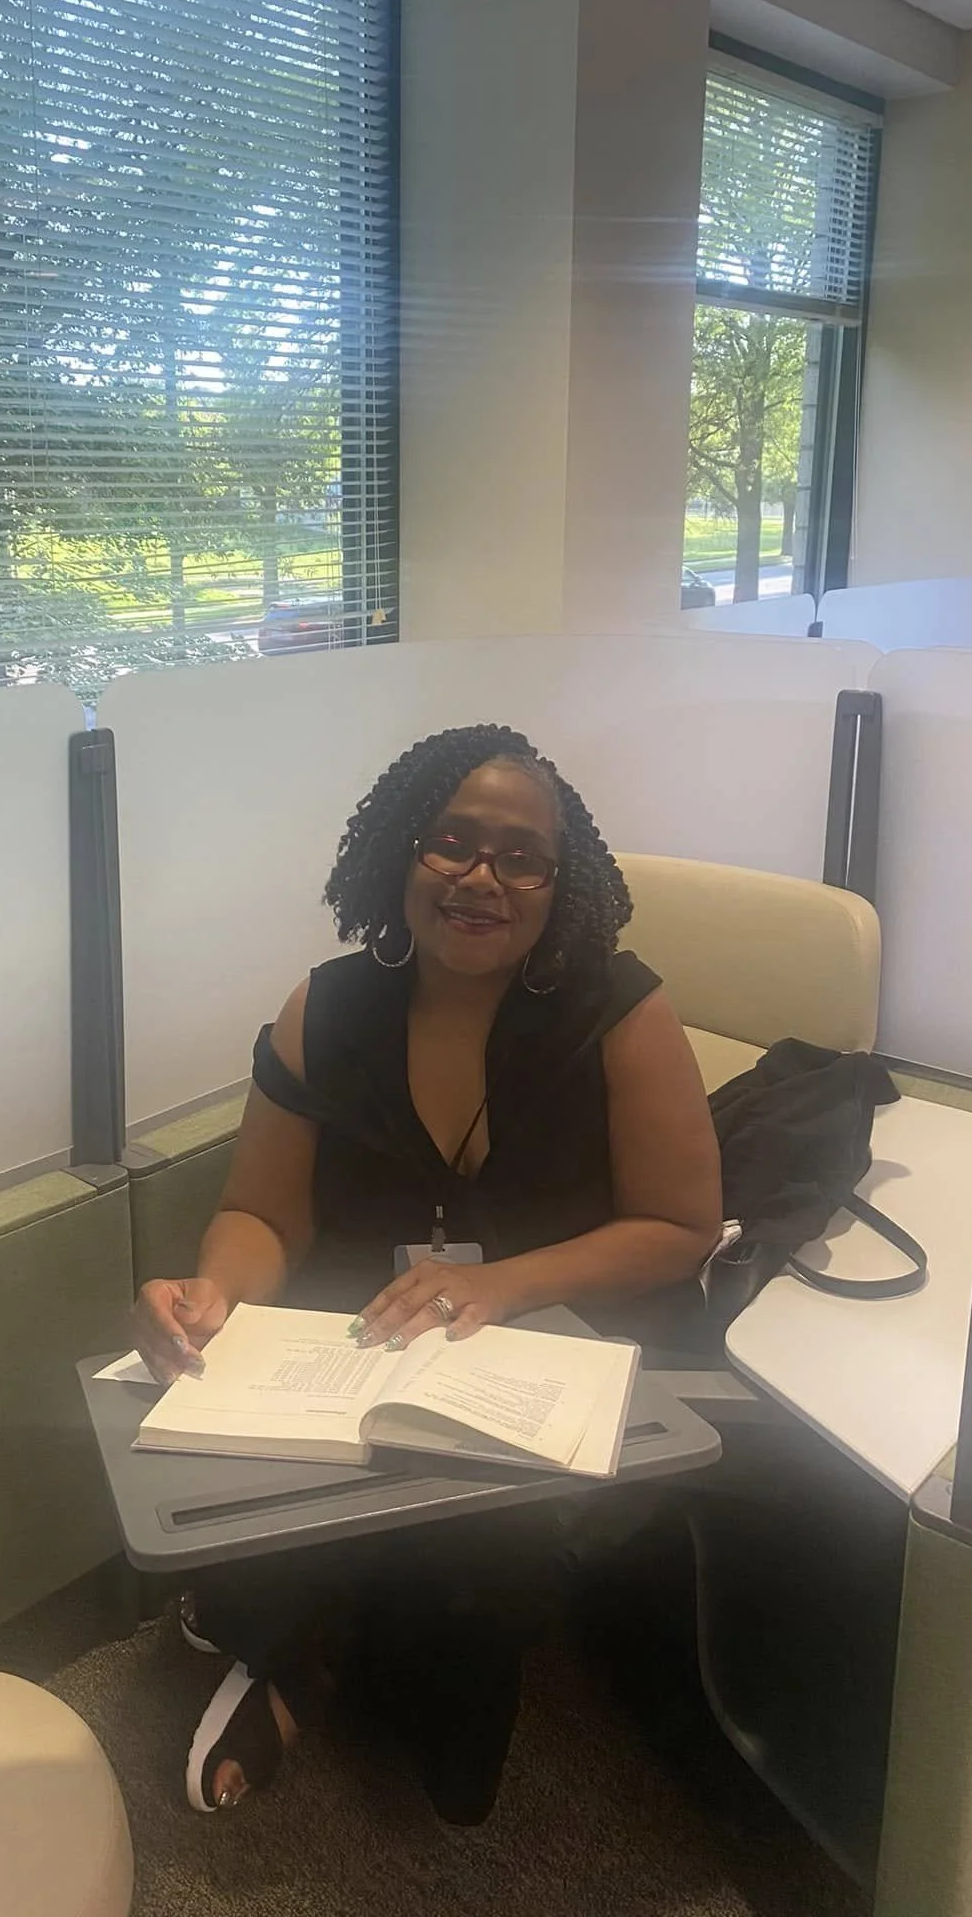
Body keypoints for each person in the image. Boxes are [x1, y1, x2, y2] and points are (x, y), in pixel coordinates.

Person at [131, 722, 722, 1824]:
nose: (480, 877)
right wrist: (215, 1291)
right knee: (258, 1506)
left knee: (455, 1697)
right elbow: (261, 1210)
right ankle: (303, 1649)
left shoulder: (621, 1010)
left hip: (548, 1344)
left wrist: (500, 1284)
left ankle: (334, 1638)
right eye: (451, 842)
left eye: (520, 856)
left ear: (559, 882)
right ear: (403, 852)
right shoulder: (328, 1006)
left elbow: (681, 1224)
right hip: (367, 1337)